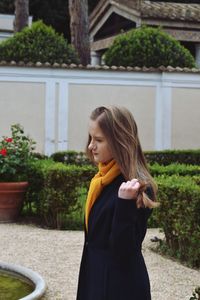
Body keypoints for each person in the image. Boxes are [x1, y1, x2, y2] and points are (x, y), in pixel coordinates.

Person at [76, 106, 158, 300]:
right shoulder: (101, 180)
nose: (90, 146)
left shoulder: (139, 188)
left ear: (120, 141)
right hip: (95, 281)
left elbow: (124, 251)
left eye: (99, 140)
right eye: (90, 138)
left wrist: (125, 204)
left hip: (121, 289)